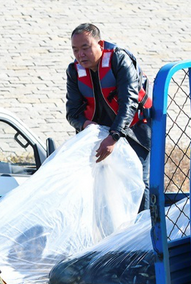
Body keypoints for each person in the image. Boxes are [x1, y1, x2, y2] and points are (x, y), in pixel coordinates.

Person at [66, 23, 152, 209]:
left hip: (134, 131)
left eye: (85, 48)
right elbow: (72, 112)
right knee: (101, 187)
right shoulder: (74, 71)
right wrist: (84, 124)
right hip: (99, 135)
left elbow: (129, 102)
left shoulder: (119, 60)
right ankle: (110, 234)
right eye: (75, 50)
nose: (80, 54)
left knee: (139, 181)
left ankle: (143, 231)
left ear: (100, 44)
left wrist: (113, 137)